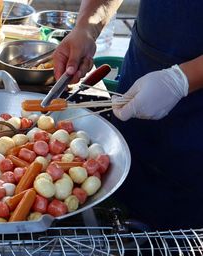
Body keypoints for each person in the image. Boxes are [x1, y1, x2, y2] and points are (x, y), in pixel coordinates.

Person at [53, 0, 203, 230]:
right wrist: (87, 25)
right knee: (116, 196)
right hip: (143, 69)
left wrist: (181, 79)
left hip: (196, 127)